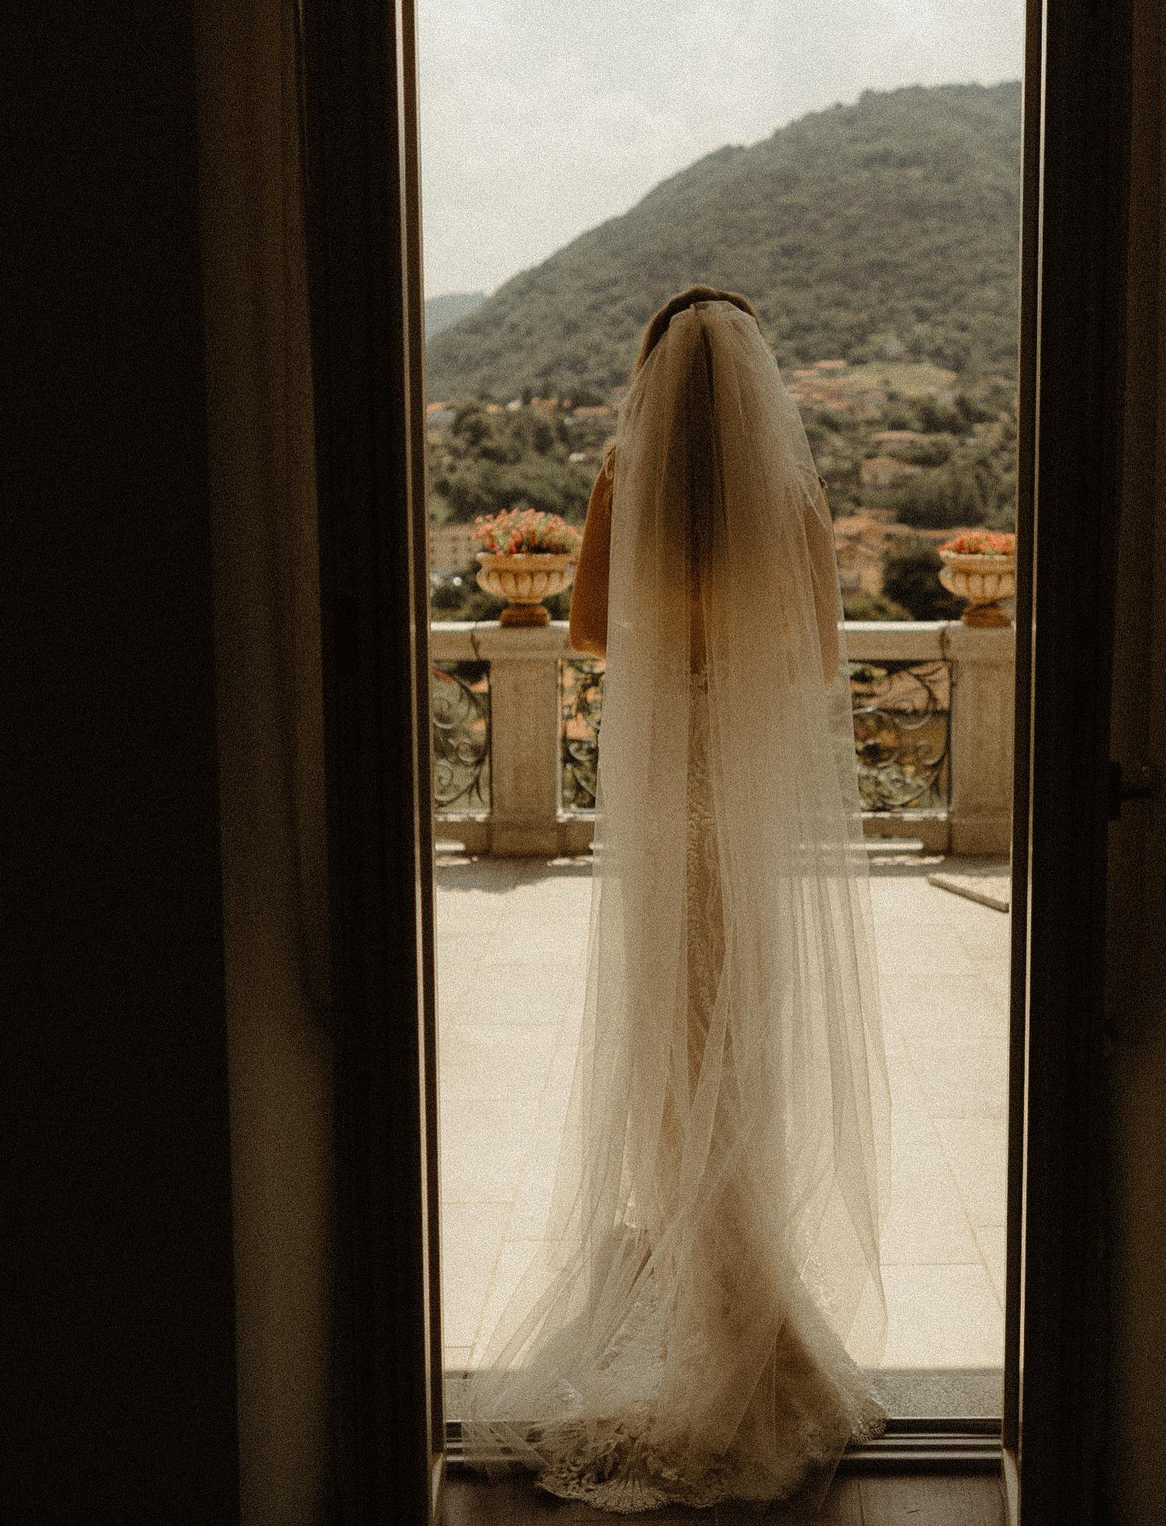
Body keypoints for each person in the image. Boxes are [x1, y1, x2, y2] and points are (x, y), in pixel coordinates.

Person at [463, 288, 890, 1511]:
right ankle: (755, 1331)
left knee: (668, 1067)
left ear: (654, 377)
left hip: (665, 812)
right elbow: (815, 653)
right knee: (740, 1064)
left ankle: (724, 1326)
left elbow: (592, 626)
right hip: (741, 814)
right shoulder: (791, 492)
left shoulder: (625, 475)